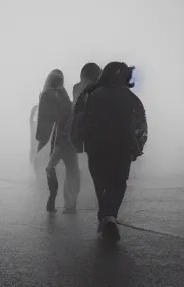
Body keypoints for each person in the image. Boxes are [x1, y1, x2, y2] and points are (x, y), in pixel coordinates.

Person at [70, 61, 147, 243]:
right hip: (123, 147)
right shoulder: (131, 98)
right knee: (118, 183)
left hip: (95, 147)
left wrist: (76, 142)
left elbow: (78, 120)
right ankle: (109, 217)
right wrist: (137, 146)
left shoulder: (89, 94)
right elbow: (141, 125)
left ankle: (105, 218)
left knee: (101, 182)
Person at [35, 69, 76, 213]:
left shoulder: (48, 94)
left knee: (52, 167)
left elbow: (44, 120)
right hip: (62, 138)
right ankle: (68, 203)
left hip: (58, 138)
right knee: (70, 169)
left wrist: (41, 141)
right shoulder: (57, 94)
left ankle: (56, 199)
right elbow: (64, 112)